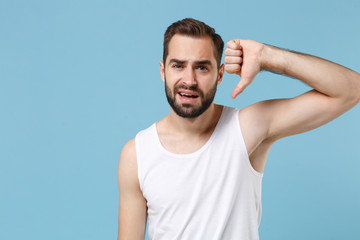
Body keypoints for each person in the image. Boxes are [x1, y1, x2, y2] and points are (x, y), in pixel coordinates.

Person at [117, 18, 360, 240]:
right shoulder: (137, 154)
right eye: (178, 66)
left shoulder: (246, 130)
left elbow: (350, 90)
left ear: (220, 74)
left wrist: (267, 56)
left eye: (202, 67)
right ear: (163, 71)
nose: (189, 80)